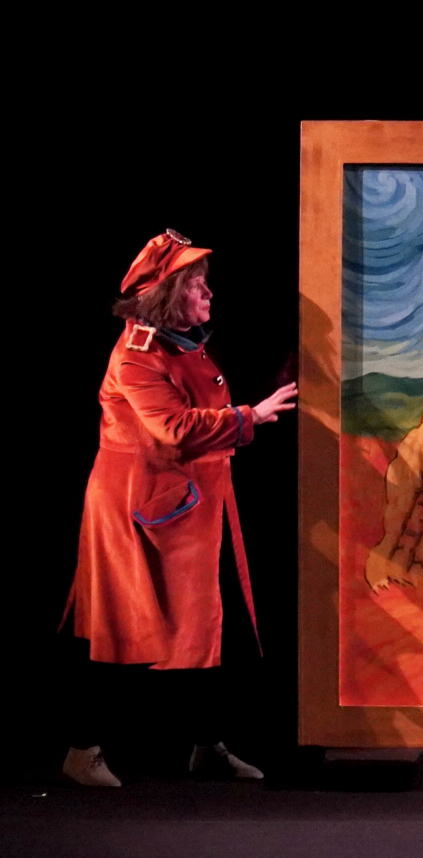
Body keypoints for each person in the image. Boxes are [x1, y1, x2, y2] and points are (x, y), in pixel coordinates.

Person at [60, 229, 297, 787]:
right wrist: (251, 416)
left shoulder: (182, 343)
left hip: (189, 504)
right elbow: (173, 426)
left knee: (206, 626)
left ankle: (207, 745)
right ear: (167, 295)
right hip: (139, 509)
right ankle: (82, 749)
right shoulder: (137, 355)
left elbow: (200, 406)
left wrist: (271, 389)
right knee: (125, 627)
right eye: (195, 285)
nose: (208, 294)